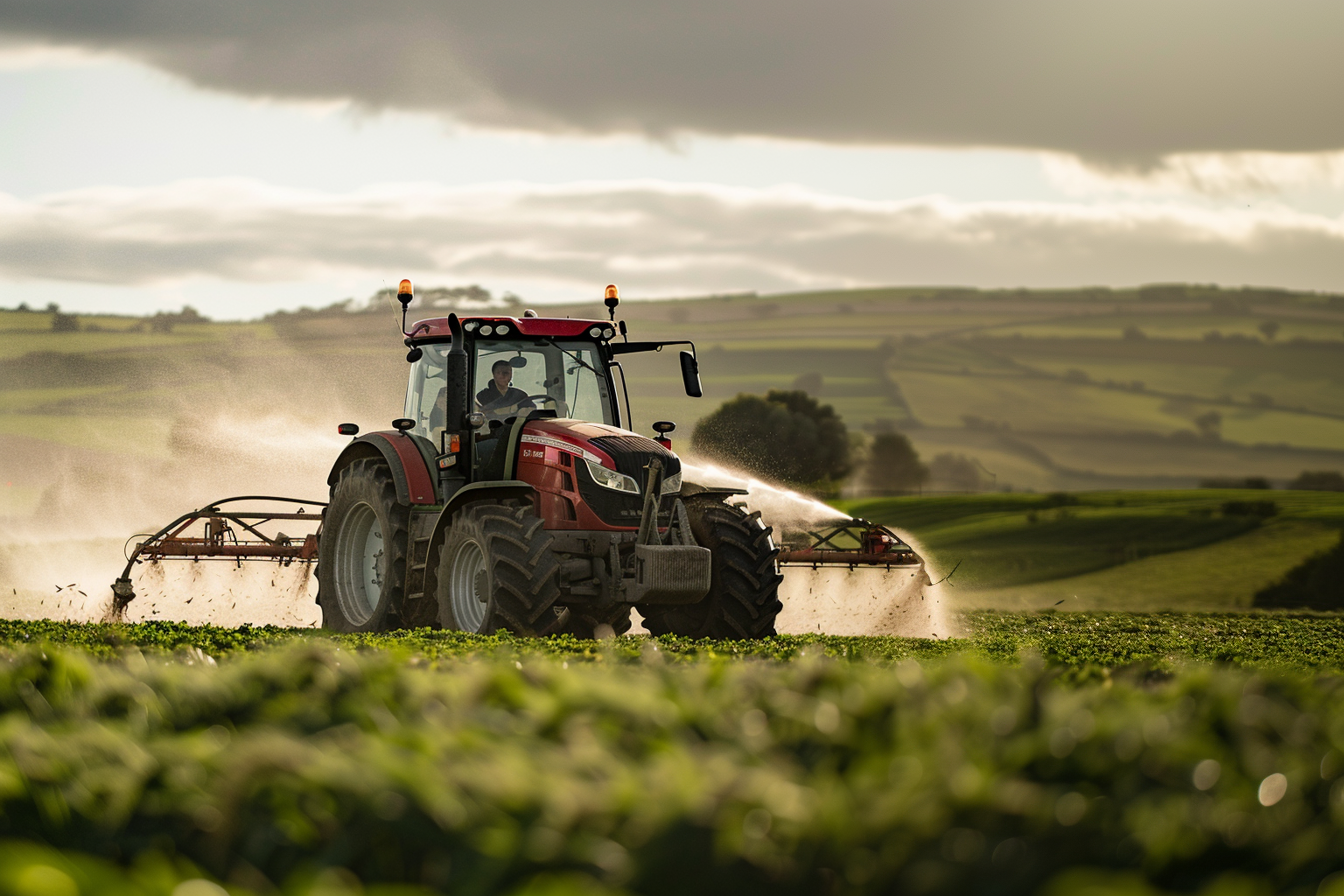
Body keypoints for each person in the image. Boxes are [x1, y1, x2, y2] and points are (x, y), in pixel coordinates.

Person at [476, 359, 535, 424]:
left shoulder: (520, 395)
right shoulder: (482, 395)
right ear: (494, 374)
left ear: (511, 375)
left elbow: (531, 410)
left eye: (505, 373)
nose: (502, 376)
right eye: (498, 373)